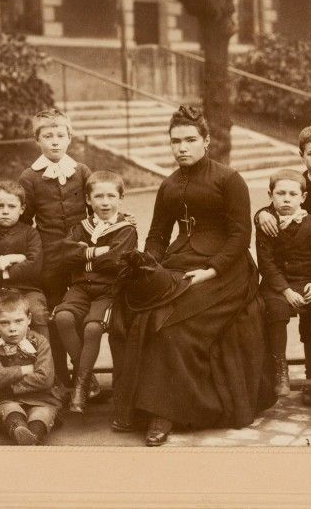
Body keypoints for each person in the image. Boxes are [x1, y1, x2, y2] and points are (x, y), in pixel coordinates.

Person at [113, 105, 275, 447]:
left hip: (227, 272)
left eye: (189, 140)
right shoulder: (169, 185)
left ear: (206, 140)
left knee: (172, 325)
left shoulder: (229, 180)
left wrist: (210, 271)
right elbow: (157, 236)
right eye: (175, 141)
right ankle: (143, 407)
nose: (182, 147)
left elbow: (239, 237)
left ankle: (165, 412)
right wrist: (149, 266)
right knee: (143, 313)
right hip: (179, 264)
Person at [0, 108, 89, 391]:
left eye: (60, 135)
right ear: (37, 141)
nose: (54, 142)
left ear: (69, 138)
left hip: (78, 252)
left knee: (75, 314)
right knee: (48, 316)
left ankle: (83, 374)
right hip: (48, 256)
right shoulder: (30, 176)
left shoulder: (81, 171)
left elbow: (97, 204)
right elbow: (18, 221)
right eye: (47, 136)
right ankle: (57, 376)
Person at [253, 125, 311, 398]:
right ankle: (308, 379)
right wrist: (260, 214)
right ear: (302, 156)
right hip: (288, 276)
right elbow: (276, 204)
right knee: (287, 315)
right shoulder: (294, 184)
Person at [53, 170, 137, 414]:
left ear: (121, 199)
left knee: (93, 328)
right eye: (98, 196)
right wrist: (99, 252)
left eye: (111, 196)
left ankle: (79, 387)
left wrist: (86, 255)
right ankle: (88, 378)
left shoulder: (126, 229)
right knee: (63, 318)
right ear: (88, 200)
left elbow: (117, 262)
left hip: (108, 291)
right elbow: (66, 257)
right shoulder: (80, 227)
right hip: (79, 288)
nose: (105, 202)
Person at [0, 180, 47, 398]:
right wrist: (10, 259)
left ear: (22, 209)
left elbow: (33, 266)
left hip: (25, 288)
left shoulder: (30, 234)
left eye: (11, 207)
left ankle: (45, 371)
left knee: (38, 312)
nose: (5, 212)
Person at [0, 289, 64, 445]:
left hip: (42, 398)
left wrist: (6, 380)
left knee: (42, 414)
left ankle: (33, 435)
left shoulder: (40, 342)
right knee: (10, 411)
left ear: (29, 319)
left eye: (19, 321)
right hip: (6, 399)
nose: (12, 328)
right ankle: (19, 429)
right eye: (5, 322)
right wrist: (24, 370)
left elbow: (45, 378)